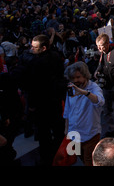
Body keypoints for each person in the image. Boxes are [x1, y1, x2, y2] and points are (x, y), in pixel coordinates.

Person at [16, 34, 66, 165]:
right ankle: (59, 154)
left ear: (43, 48)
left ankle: (47, 158)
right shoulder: (55, 56)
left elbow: (32, 85)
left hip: (42, 103)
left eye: (34, 47)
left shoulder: (35, 63)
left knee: (44, 134)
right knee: (57, 130)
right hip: (54, 100)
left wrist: (31, 104)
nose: (31, 49)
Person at [63, 61, 105, 166]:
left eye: (78, 77)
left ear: (85, 76)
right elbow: (68, 110)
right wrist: (66, 129)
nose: (75, 81)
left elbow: (100, 101)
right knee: (79, 156)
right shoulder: (71, 88)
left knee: (89, 161)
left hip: (90, 134)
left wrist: (85, 93)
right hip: (74, 134)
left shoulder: (94, 88)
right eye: (73, 78)